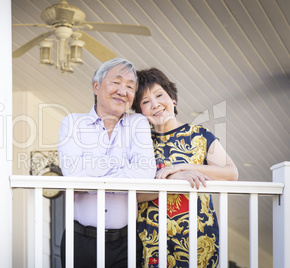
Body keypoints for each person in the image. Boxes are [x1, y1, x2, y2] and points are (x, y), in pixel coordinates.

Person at [132, 67, 238, 268]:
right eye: (145, 102)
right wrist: (173, 181)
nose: (155, 105)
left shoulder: (200, 134)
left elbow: (231, 174)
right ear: (140, 113)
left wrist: (183, 167)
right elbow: (134, 194)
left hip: (199, 239)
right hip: (152, 240)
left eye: (159, 95)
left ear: (173, 99)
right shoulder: (138, 142)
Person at [58, 58, 157, 268]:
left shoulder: (137, 123)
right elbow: (73, 176)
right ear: (96, 86)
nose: (123, 90)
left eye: (130, 86)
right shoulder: (73, 123)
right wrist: (123, 170)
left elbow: (145, 173)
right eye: (116, 82)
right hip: (80, 241)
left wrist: (90, 176)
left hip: (125, 243)